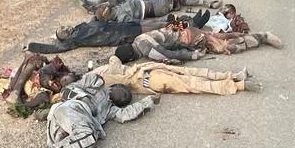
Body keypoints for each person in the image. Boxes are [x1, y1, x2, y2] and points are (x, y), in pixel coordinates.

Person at [35, 72, 158, 148]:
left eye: (126, 100)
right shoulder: (96, 82)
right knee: (89, 136)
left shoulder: (110, 110)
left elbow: (127, 114)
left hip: (70, 129)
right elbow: (67, 89)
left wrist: (149, 101)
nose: (125, 98)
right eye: (125, 93)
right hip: (72, 109)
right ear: (114, 86)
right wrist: (84, 98)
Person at [25, 11, 212, 55]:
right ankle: (194, 25)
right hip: (121, 35)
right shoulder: (75, 40)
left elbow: (98, 22)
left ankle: (190, 22)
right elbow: (55, 48)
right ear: (64, 38)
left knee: (161, 22)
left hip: (122, 25)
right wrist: (33, 46)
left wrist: (99, 15)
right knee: (161, 28)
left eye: (63, 27)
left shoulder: (81, 27)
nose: (65, 29)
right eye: (63, 32)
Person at [93, 55, 261, 94]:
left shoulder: (95, 82)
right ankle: (235, 80)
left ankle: (236, 81)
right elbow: (115, 60)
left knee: (192, 81)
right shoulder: (98, 74)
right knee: (193, 76)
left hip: (147, 78)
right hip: (148, 74)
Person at [114, 25, 282, 63]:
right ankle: (253, 36)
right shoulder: (139, 38)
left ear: (132, 58)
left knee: (223, 47)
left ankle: (263, 37)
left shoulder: (147, 50)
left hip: (190, 39)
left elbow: (169, 54)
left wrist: (192, 55)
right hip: (187, 30)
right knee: (217, 36)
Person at [0, 54, 79, 116]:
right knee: (34, 62)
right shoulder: (56, 70)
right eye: (65, 79)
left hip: (35, 89)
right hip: (33, 80)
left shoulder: (60, 89)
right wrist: (48, 80)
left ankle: (17, 96)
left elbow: (53, 95)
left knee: (43, 96)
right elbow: (44, 71)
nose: (63, 82)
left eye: (66, 83)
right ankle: (16, 92)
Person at [89, 0, 221, 23]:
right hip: (155, 6)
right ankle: (208, 3)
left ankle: (177, 6)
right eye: (103, 9)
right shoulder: (121, 17)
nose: (105, 7)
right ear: (106, 14)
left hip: (152, 3)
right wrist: (161, 21)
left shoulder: (116, 10)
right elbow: (139, 22)